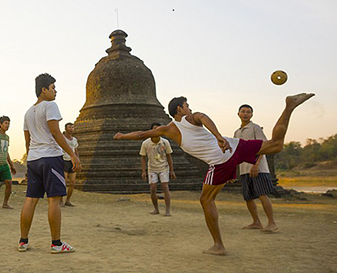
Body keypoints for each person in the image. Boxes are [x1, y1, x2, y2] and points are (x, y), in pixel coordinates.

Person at [114, 93, 314, 255]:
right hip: (233, 148)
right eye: (187, 105)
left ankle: (218, 245)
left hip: (220, 159)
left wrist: (122, 136)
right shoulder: (181, 123)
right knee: (276, 145)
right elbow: (146, 134)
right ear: (179, 109)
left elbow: (144, 133)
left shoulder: (171, 128)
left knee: (206, 200)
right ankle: (289, 106)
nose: (190, 108)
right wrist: (219, 138)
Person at [18, 73, 82, 253]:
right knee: (54, 200)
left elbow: (27, 141)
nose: (56, 91)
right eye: (53, 87)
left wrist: (31, 159)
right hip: (50, 158)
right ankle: (56, 244)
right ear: (43, 90)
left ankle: (23, 241)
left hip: (34, 159)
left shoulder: (28, 112)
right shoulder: (50, 105)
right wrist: (72, 154)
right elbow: (56, 132)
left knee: (31, 199)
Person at [234, 104, 278, 232]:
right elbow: (238, 152)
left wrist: (256, 164)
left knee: (262, 194)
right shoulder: (237, 132)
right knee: (248, 197)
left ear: (252, 115)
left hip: (258, 168)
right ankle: (256, 222)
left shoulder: (255, 128)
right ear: (238, 114)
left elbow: (263, 146)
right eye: (243, 111)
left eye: (248, 112)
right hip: (244, 168)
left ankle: (272, 223)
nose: (246, 114)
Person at [140, 122, 176, 216]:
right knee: (152, 188)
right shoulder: (146, 143)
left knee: (165, 187)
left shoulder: (165, 142)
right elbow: (143, 157)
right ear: (151, 131)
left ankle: (167, 210)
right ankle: (156, 209)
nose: (156, 131)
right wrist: (143, 171)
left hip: (163, 167)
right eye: (154, 129)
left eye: (158, 129)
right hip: (152, 168)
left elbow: (169, 157)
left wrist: (172, 170)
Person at [60, 122, 79, 207]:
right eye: (69, 127)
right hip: (64, 160)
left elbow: (75, 151)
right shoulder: (62, 138)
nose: (71, 129)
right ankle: (60, 200)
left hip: (72, 161)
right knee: (63, 181)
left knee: (72, 182)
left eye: (72, 127)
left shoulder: (74, 140)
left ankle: (68, 200)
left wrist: (77, 160)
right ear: (65, 129)